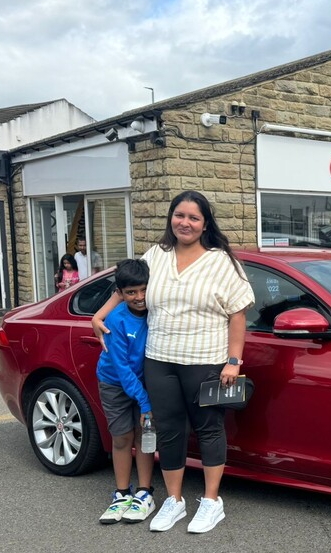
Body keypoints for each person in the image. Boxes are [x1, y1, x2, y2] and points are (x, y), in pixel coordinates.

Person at [92, 190, 254, 534]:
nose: (186, 223)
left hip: (205, 360)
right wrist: (101, 314)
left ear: (205, 223)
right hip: (160, 359)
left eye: (194, 218)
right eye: (180, 215)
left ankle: (211, 501)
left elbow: (237, 314)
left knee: (208, 429)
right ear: (171, 218)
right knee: (168, 430)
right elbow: (126, 285)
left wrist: (233, 361)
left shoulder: (222, 261)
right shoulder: (157, 254)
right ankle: (175, 500)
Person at [96, 259, 157, 524]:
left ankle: (144, 493)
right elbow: (121, 369)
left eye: (143, 290)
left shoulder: (156, 312)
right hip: (115, 384)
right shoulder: (116, 319)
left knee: (145, 437)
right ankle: (122, 494)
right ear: (120, 294)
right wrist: (144, 403)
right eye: (131, 292)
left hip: (145, 383)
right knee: (121, 438)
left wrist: (146, 398)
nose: (139, 297)